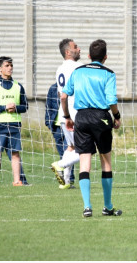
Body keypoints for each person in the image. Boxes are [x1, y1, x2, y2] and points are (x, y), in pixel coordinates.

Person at [61, 39, 122, 218]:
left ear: (88, 56)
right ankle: (108, 206)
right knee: (106, 162)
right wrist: (116, 117)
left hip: (81, 118)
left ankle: (87, 207)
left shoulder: (78, 71)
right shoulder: (108, 74)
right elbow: (111, 101)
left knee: (84, 164)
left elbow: (64, 97)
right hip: (100, 117)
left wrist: (67, 117)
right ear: (105, 57)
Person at [0, 57, 29, 187]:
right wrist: (4, 108)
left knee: (15, 153)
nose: (10, 68)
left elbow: (25, 106)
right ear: (0, 69)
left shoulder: (18, 87)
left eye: (11, 65)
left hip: (14, 125)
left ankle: (17, 181)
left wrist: (16, 108)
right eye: (7, 65)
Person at [51, 39, 82, 190]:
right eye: (76, 47)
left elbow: (59, 93)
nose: (79, 49)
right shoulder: (78, 66)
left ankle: (66, 181)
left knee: (71, 147)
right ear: (68, 52)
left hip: (63, 113)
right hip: (76, 114)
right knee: (87, 150)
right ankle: (60, 164)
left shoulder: (59, 69)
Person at [44, 82, 73, 186]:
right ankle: (65, 179)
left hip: (68, 124)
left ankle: (69, 179)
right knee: (63, 153)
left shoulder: (72, 86)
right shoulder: (53, 88)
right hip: (56, 126)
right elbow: (48, 105)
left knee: (70, 150)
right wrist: (48, 122)